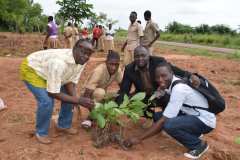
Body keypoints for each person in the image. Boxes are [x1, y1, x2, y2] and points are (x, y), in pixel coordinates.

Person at [124, 62, 215, 159]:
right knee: (157, 116)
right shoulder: (172, 83)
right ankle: (193, 132)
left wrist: (138, 139)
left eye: (164, 76)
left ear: (171, 73)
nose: (160, 80)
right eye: (157, 77)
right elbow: (157, 99)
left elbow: (164, 120)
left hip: (205, 121)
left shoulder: (179, 89)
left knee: (168, 125)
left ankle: (198, 145)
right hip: (192, 115)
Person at [20, 39, 95, 144]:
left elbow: (69, 81)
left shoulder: (81, 61)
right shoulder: (59, 62)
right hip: (33, 69)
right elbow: (52, 92)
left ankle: (63, 125)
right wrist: (78, 100)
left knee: (71, 97)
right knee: (47, 101)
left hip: (49, 71)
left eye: (89, 54)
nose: (86, 57)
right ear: (75, 49)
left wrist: (76, 100)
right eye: (84, 52)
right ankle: (41, 133)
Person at [116, 46, 200, 126]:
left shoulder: (158, 61)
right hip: (144, 94)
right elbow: (124, 90)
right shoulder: (129, 69)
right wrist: (116, 107)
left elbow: (173, 69)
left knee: (168, 97)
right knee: (133, 102)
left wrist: (190, 75)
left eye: (143, 55)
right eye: (137, 56)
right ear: (134, 57)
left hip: (160, 91)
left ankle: (169, 117)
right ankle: (149, 117)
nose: (140, 59)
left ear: (148, 55)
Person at [81, 51, 122, 128]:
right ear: (106, 62)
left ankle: (105, 114)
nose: (114, 67)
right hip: (88, 94)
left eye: (116, 64)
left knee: (116, 95)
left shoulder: (118, 70)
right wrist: (96, 115)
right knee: (100, 93)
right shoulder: (99, 70)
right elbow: (87, 94)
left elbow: (123, 86)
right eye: (111, 64)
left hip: (102, 94)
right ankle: (90, 118)